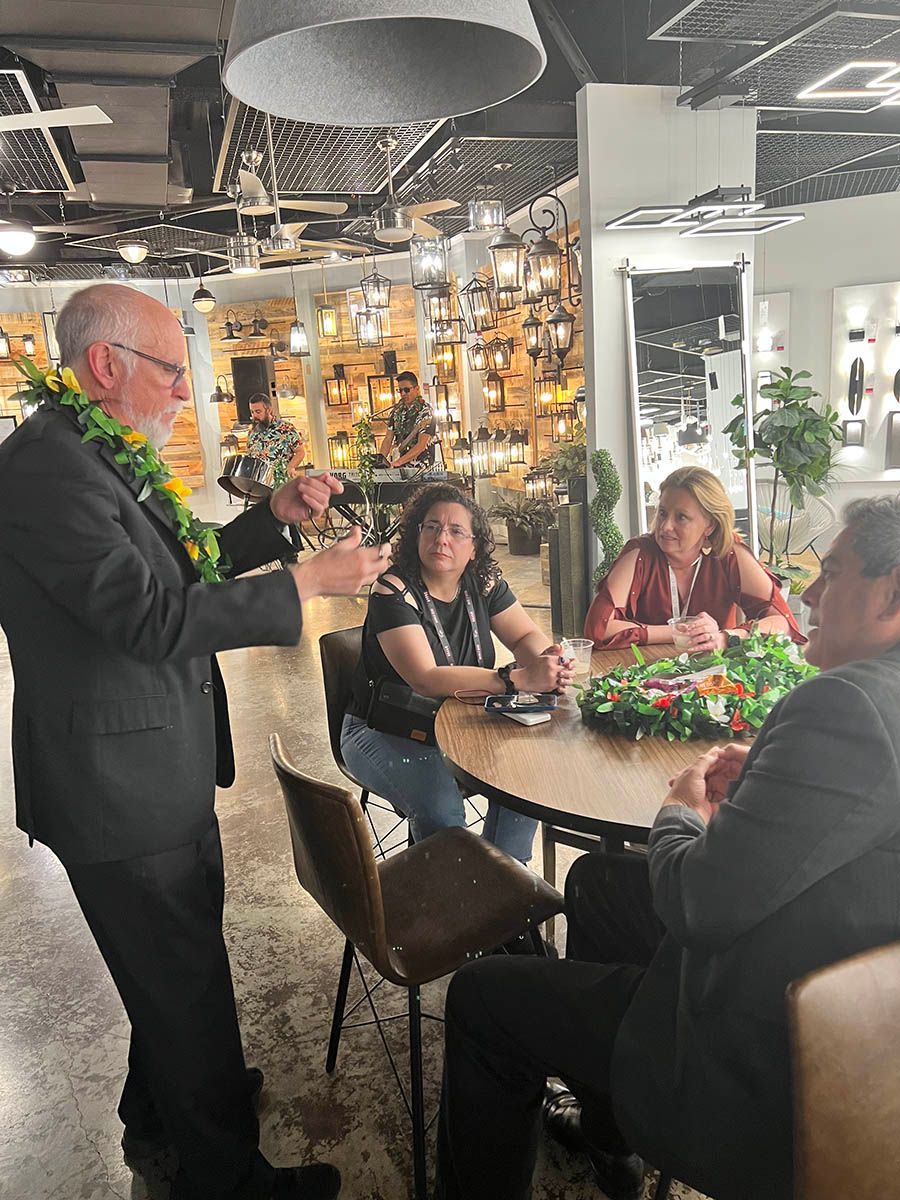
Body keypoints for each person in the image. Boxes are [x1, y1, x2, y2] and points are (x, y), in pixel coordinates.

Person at [0, 284, 392, 1200]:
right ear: (106, 365)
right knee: (184, 985)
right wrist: (304, 582)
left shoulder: (92, 449)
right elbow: (147, 618)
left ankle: (160, 1118)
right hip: (116, 788)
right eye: (173, 370)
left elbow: (181, 560)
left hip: (152, 769)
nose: (187, 391)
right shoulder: (46, 468)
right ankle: (226, 1178)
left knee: (170, 971)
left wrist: (273, 517)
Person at [434, 493, 900, 1200]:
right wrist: (764, 784)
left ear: (892, 594)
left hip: (759, 1040)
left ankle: (634, 1084)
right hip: (839, 982)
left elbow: (696, 906)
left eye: (831, 574)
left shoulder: (846, 705)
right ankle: (608, 1129)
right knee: (597, 881)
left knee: (480, 998)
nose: (809, 593)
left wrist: (680, 810)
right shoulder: (873, 700)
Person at [341, 482, 575, 864]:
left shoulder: (482, 583)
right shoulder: (392, 591)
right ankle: (454, 887)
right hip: (383, 727)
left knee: (526, 774)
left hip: (458, 719)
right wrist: (514, 679)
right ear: (416, 534)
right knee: (443, 812)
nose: (441, 539)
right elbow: (425, 677)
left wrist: (547, 660)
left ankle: (502, 877)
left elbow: (524, 635)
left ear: (474, 547)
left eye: (455, 531)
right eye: (431, 527)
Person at [584, 465, 803, 650]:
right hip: (646, 675)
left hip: (716, 677)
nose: (665, 526)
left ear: (710, 525)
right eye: (662, 513)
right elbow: (598, 629)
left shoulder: (729, 553)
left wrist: (726, 637)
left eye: (681, 517)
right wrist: (681, 631)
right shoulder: (639, 553)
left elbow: (783, 624)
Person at [378, 371, 436, 468]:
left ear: (417, 389)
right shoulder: (396, 411)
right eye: (400, 390)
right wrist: (380, 461)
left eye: (406, 390)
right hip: (400, 464)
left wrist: (399, 462)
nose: (403, 394)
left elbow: (421, 445)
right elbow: (388, 439)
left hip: (420, 466)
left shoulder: (426, 412)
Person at [247, 394, 306, 484]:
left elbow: (300, 452)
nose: (254, 416)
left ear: (269, 410)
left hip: (281, 483)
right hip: (258, 484)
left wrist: (290, 467)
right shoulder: (252, 432)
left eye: (258, 412)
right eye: (252, 412)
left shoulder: (286, 428)